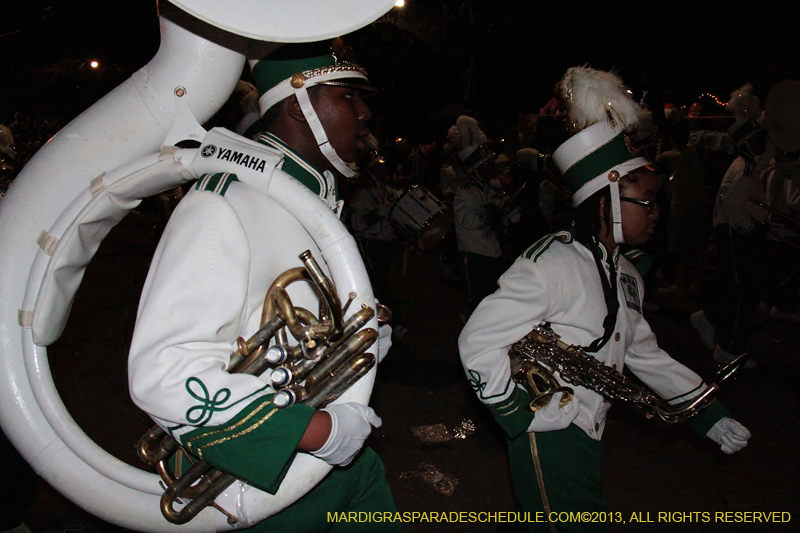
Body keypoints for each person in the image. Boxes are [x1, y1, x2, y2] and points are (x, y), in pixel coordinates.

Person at [459, 67, 750, 533]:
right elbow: (477, 339)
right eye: (647, 201)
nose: (657, 213)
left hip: (590, 428)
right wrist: (519, 413)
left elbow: (643, 352)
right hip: (548, 429)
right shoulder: (549, 263)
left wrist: (707, 416)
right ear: (608, 199)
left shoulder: (628, 273)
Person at [128, 40, 399, 531]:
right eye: (347, 97)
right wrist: (317, 432)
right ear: (300, 106)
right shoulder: (226, 200)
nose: (364, 113)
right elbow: (162, 370)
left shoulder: (310, 198)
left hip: (341, 469)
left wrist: (355, 334)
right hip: (262, 485)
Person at [691, 80, 800, 366]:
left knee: (748, 291)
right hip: (735, 233)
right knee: (745, 291)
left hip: (739, 233)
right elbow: (732, 208)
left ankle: (710, 321)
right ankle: (729, 350)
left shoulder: (753, 165)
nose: (763, 145)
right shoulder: (743, 168)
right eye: (757, 141)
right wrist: (753, 230)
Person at [451, 115, 507, 314]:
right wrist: (493, 210)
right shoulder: (465, 191)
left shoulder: (485, 188)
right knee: (477, 302)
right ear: (478, 168)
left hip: (490, 251)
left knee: (491, 300)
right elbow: (469, 220)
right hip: (474, 255)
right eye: (487, 164)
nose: (492, 167)